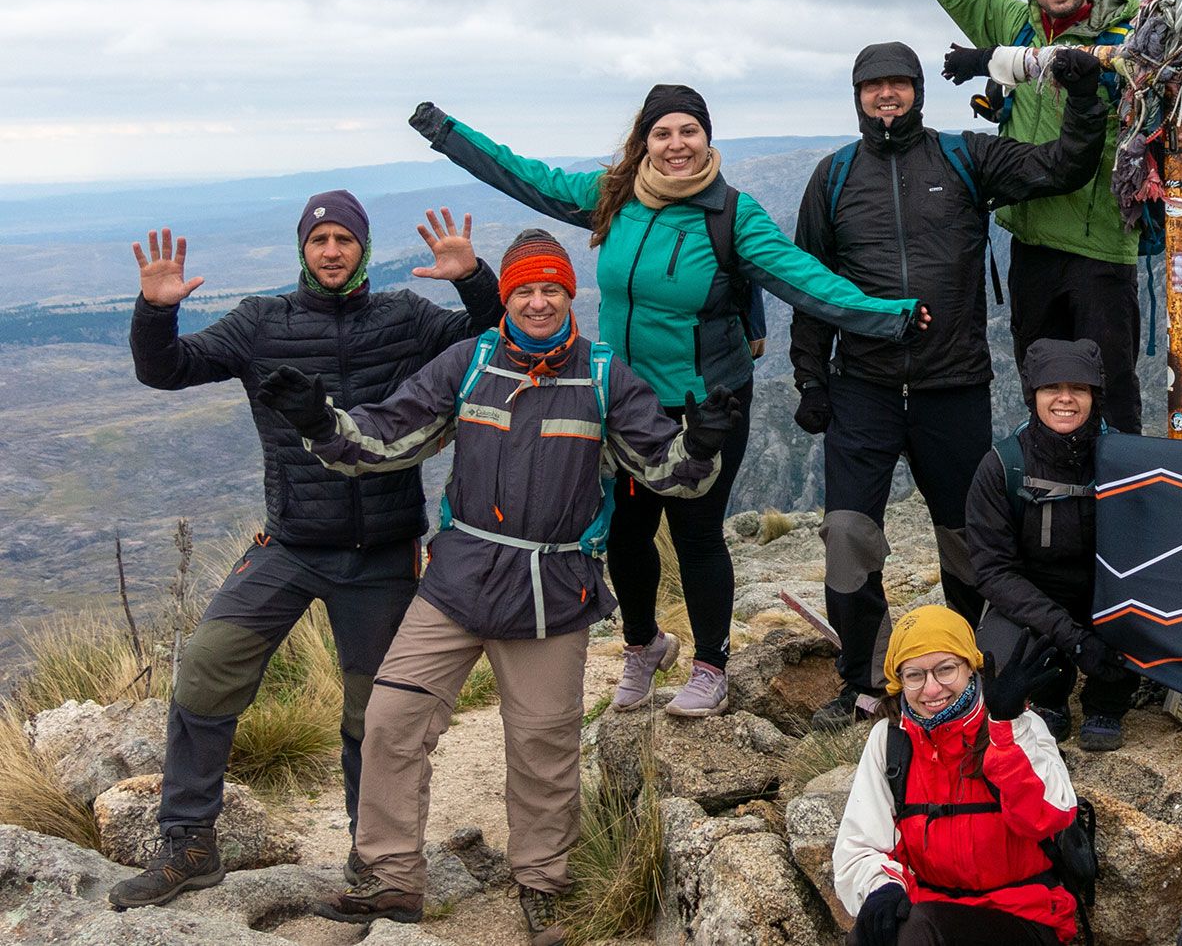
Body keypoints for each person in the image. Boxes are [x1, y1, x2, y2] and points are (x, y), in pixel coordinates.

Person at [258, 229, 729, 943]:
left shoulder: (605, 375)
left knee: (543, 747)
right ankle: (390, 879)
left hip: (551, 591)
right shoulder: (470, 361)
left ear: (571, 294)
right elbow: (390, 434)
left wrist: (701, 445)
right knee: (390, 720)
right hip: (458, 581)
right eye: (524, 290)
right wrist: (320, 423)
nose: (538, 302)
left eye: (551, 289)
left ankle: (543, 884)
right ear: (506, 297)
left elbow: (668, 471)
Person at [409, 86, 926, 719]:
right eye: (662, 133)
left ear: (707, 138)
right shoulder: (615, 196)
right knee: (627, 534)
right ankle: (643, 646)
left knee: (696, 533)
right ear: (644, 141)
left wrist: (888, 316)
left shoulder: (731, 216)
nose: (676, 145)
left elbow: (803, 278)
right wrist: (446, 132)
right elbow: (525, 176)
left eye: (689, 131)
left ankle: (711, 666)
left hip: (705, 405)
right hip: (625, 402)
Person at [110, 195, 500, 911]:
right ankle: (189, 843)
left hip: (382, 553)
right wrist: (156, 312)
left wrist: (474, 279)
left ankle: (372, 857)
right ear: (302, 248)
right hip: (289, 544)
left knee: (373, 717)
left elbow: (497, 339)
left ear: (363, 247)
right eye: (319, 239)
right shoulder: (262, 322)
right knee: (205, 671)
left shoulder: (407, 318)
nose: (331, 250)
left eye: (344, 238)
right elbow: (167, 369)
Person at [794, 40, 1110, 729]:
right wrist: (810, 378)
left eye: (899, 83)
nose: (886, 95)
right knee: (847, 533)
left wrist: (1085, 98)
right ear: (857, 96)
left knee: (970, 538)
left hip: (953, 384)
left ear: (918, 90)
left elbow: (1063, 164)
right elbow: (810, 283)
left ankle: (972, 665)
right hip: (863, 387)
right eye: (873, 85)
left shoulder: (965, 157)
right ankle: (868, 679)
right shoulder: (833, 176)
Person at [865, 0, 1182, 434]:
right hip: (1032, 248)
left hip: (1103, 251)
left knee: (1110, 393)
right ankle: (1050, 487)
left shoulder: (1135, 38)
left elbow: (1172, 128)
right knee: (1043, 390)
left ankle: (1120, 487)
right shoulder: (1015, 27)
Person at [833, 605, 1082, 946]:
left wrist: (1006, 728)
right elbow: (860, 845)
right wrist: (881, 888)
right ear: (899, 681)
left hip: (1025, 915)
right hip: (933, 911)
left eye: (946, 669)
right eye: (914, 675)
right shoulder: (890, 740)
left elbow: (1049, 817)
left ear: (969, 666)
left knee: (918, 932)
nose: (931, 689)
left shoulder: (1019, 725)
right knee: (872, 932)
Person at [965, 338, 1137, 752]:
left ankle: (1107, 700)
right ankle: (1049, 696)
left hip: (1106, 596)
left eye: (1078, 388)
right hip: (1036, 597)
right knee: (999, 654)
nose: (1065, 399)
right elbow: (994, 572)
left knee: (1139, 615)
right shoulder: (1003, 467)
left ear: (1095, 396)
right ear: (1033, 396)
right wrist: (1073, 638)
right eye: (1051, 388)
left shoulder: (1127, 462)